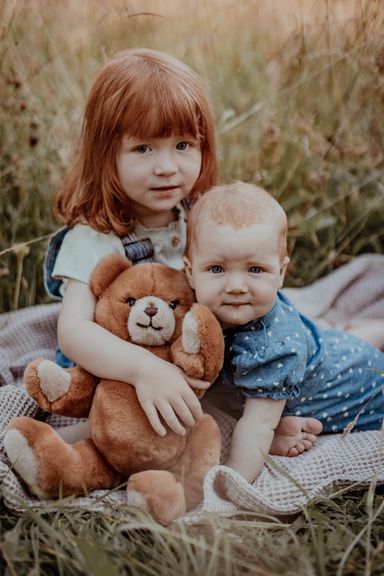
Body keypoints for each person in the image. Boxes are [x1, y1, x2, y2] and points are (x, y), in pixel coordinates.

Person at [183, 181, 384, 484]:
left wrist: (231, 484)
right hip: (326, 346)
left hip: (361, 386)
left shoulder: (273, 346)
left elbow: (258, 425)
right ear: (189, 272)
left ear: (281, 273)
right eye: (216, 269)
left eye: (255, 270)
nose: (237, 286)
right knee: (337, 342)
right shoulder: (198, 307)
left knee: (353, 355)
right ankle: (368, 332)